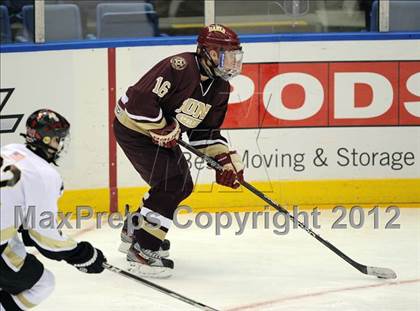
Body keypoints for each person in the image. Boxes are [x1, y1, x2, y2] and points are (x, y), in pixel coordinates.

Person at [114, 23, 245, 278]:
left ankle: (135, 230)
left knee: (176, 183)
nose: (231, 62)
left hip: (162, 136)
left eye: (234, 56)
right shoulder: (179, 67)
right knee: (174, 183)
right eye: (225, 55)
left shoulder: (220, 88)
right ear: (206, 52)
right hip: (134, 130)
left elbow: (203, 132)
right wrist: (164, 127)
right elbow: (139, 104)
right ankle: (142, 250)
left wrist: (225, 161)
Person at [0, 109, 107, 311]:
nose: (60, 145)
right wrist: (82, 254)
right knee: (43, 283)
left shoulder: (10, 149)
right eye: (58, 139)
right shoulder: (44, 174)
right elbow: (46, 238)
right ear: (47, 140)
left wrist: (25, 226)